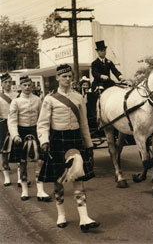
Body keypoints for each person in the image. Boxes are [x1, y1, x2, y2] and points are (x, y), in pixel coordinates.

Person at [37, 64, 99, 232]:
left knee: (78, 179)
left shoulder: (78, 97)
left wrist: (89, 144)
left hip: (75, 140)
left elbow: (84, 124)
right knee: (59, 181)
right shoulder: (50, 99)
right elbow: (42, 124)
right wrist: (44, 141)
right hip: (58, 141)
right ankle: (61, 214)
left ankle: (84, 218)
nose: (67, 79)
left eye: (70, 76)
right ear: (57, 78)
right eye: (64, 76)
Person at [7, 76, 51, 201]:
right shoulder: (16, 102)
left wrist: (43, 135)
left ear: (32, 86)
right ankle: (25, 191)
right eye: (24, 85)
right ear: (20, 86)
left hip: (35, 131)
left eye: (29, 85)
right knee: (22, 163)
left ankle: (41, 191)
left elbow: (42, 118)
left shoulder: (37, 100)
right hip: (21, 133)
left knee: (40, 161)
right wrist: (15, 135)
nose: (27, 88)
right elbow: (12, 121)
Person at [0, 73, 19, 186]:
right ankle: (6, 176)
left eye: (9, 82)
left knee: (18, 150)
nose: (8, 84)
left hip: (16, 123)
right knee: (4, 151)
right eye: (5, 82)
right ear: (2, 84)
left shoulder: (17, 95)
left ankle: (21, 178)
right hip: (3, 124)